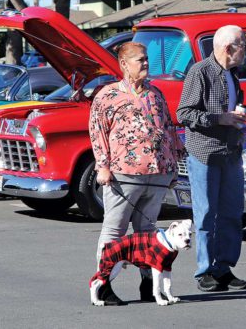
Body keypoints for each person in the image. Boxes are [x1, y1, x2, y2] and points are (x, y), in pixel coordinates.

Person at [89, 41, 184, 305]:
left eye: (146, 59)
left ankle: (148, 285)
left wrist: (174, 164)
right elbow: (97, 133)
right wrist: (103, 166)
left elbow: (168, 128)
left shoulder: (155, 93)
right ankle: (103, 285)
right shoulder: (107, 95)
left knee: (148, 233)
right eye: (139, 60)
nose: (145, 63)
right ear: (123, 65)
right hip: (123, 175)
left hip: (157, 175)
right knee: (114, 231)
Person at [176, 25, 246, 292]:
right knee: (206, 214)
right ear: (229, 48)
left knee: (231, 214)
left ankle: (223, 267)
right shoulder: (200, 72)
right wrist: (220, 118)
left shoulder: (233, 74)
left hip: (230, 152)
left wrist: (236, 117)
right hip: (204, 153)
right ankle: (205, 271)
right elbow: (183, 113)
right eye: (244, 45)